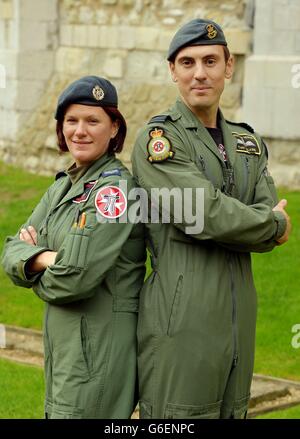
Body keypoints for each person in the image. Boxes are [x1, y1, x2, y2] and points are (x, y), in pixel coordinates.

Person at [131, 19, 291, 419]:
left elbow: (239, 213)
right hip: (182, 324)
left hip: (239, 325)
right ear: (173, 71)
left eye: (209, 61)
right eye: (187, 62)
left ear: (228, 66)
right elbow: (202, 213)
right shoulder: (160, 141)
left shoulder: (247, 142)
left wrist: (248, 224)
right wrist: (272, 225)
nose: (199, 73)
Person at [1, 76, 146, 419]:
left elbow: (72, 281)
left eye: (92, 121)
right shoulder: (64, 186)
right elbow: (9, 255)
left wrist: (34, 262)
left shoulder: (114, 193)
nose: (80, 131)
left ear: (114, 128)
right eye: (71, 120)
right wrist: (49, 259)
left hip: (98, 355)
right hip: (67, 350)